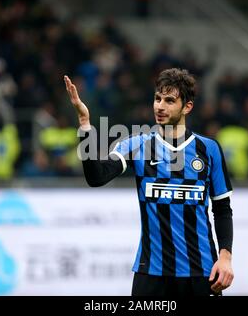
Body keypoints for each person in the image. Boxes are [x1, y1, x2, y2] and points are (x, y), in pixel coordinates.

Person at [64, 68, 234, 296]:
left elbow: (222, 209)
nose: (160, 106)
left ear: (187, 107)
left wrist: (225, 257)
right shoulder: (137, 145)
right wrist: (85, 124)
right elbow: (96, 177)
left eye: (170, 100)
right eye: (157, 98)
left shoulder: (209, 149)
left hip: (201, 272)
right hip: (151, 273)